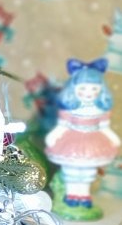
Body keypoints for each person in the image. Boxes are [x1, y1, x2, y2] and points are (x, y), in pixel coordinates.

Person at [45, 57, 120, 214]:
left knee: (88, 170)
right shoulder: (71, 108)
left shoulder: (100, 109)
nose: (88, 93)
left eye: (94, 89)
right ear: (73, 89)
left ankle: (84, 195)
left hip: (93, 141)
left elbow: (104, 127)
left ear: (101, 89)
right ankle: (72, 195)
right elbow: (62, 125)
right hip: (71, 141)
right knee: (71, 169)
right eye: (83, 89)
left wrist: (113, 138)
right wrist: (53, 135)